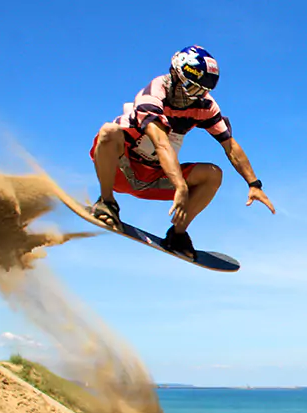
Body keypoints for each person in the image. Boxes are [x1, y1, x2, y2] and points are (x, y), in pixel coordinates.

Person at [89, 45, 275, 259]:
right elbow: (160, 143)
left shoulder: (204, 106)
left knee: (213, 174)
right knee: (109, 131)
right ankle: (106, 202)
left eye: (201, 91)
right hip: (121, 170)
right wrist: (180, 186)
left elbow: (230, 145)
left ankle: (177, 234)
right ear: (176, 74)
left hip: (154, 179)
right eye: (191, 88)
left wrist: (254, 184)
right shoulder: (152, 94)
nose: (194, 97)